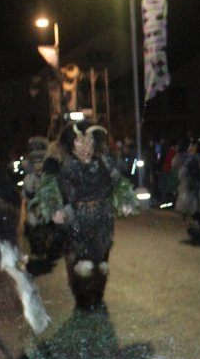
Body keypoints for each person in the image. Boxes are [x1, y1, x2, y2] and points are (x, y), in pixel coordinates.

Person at [31, 121, 137, 309]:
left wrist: (125, 199)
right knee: (81, 263)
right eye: (80, 142)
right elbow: (48, 186)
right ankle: (82, 297)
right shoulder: (60, 162)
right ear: (71, 143)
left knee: (101, 263)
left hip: (102, 219)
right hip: (74, 220)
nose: (85, 147)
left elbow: (119, 182)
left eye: (89, 142)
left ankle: (97, 295)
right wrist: (54, 208)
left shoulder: (103, 161)